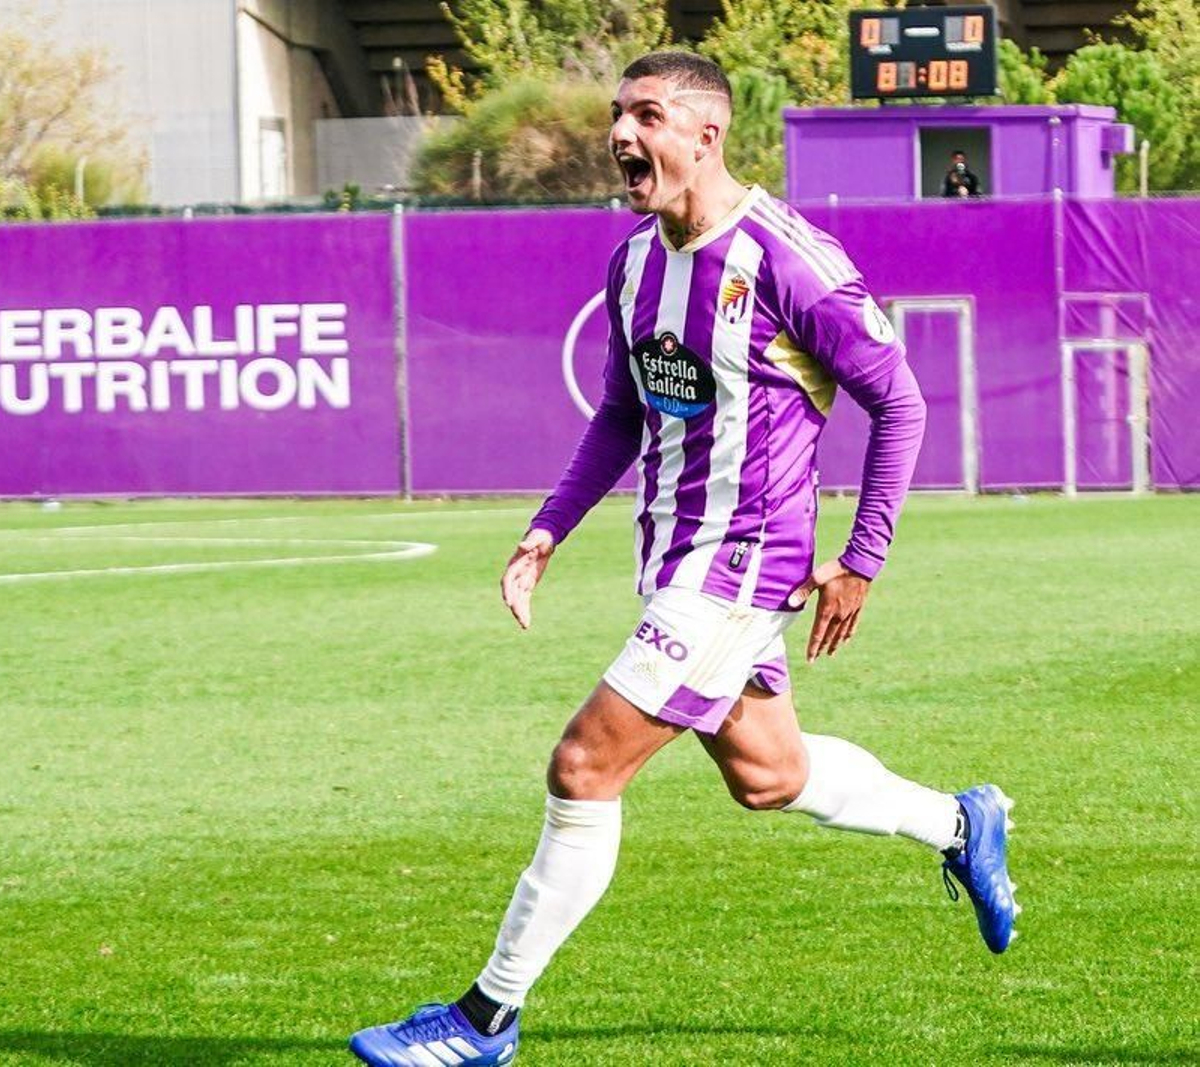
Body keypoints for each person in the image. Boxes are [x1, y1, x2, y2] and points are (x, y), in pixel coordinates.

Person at [349, 51, 1018, 1067]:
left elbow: (901, 401)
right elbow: (621, 414)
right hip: (674, 562)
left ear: (707, 135)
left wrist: (861, 557)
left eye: (648, 115)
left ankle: (485, 1020)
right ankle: (960, 824)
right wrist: (547, 528)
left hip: (743, 567)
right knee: (769, 774)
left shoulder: (789, 259)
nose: (622, 133)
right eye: (618, 114)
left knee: (584, 765)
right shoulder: (633, 263)